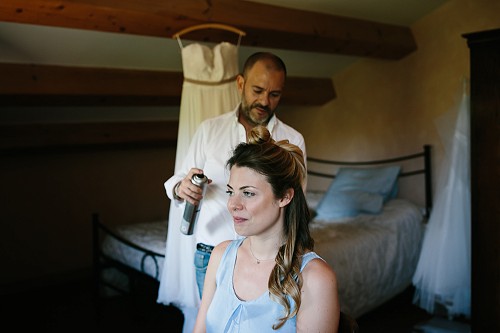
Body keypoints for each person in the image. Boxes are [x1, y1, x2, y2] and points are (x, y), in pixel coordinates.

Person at [157, 52, 307, 332]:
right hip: (210, 253)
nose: (264, 101)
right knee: (215, 325)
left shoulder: (292, 141)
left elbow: (294, 204)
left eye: (274, 94)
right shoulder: (209, 130)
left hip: (266, 257)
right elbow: (177, 180)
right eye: (258, 90)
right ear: (240, 83)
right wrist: (183, 187)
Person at [193, 125, 339, 332]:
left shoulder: (315, 278)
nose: (233, 205)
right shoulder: (221, 255)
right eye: (230, 192)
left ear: (284, 197)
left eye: (248, 193)